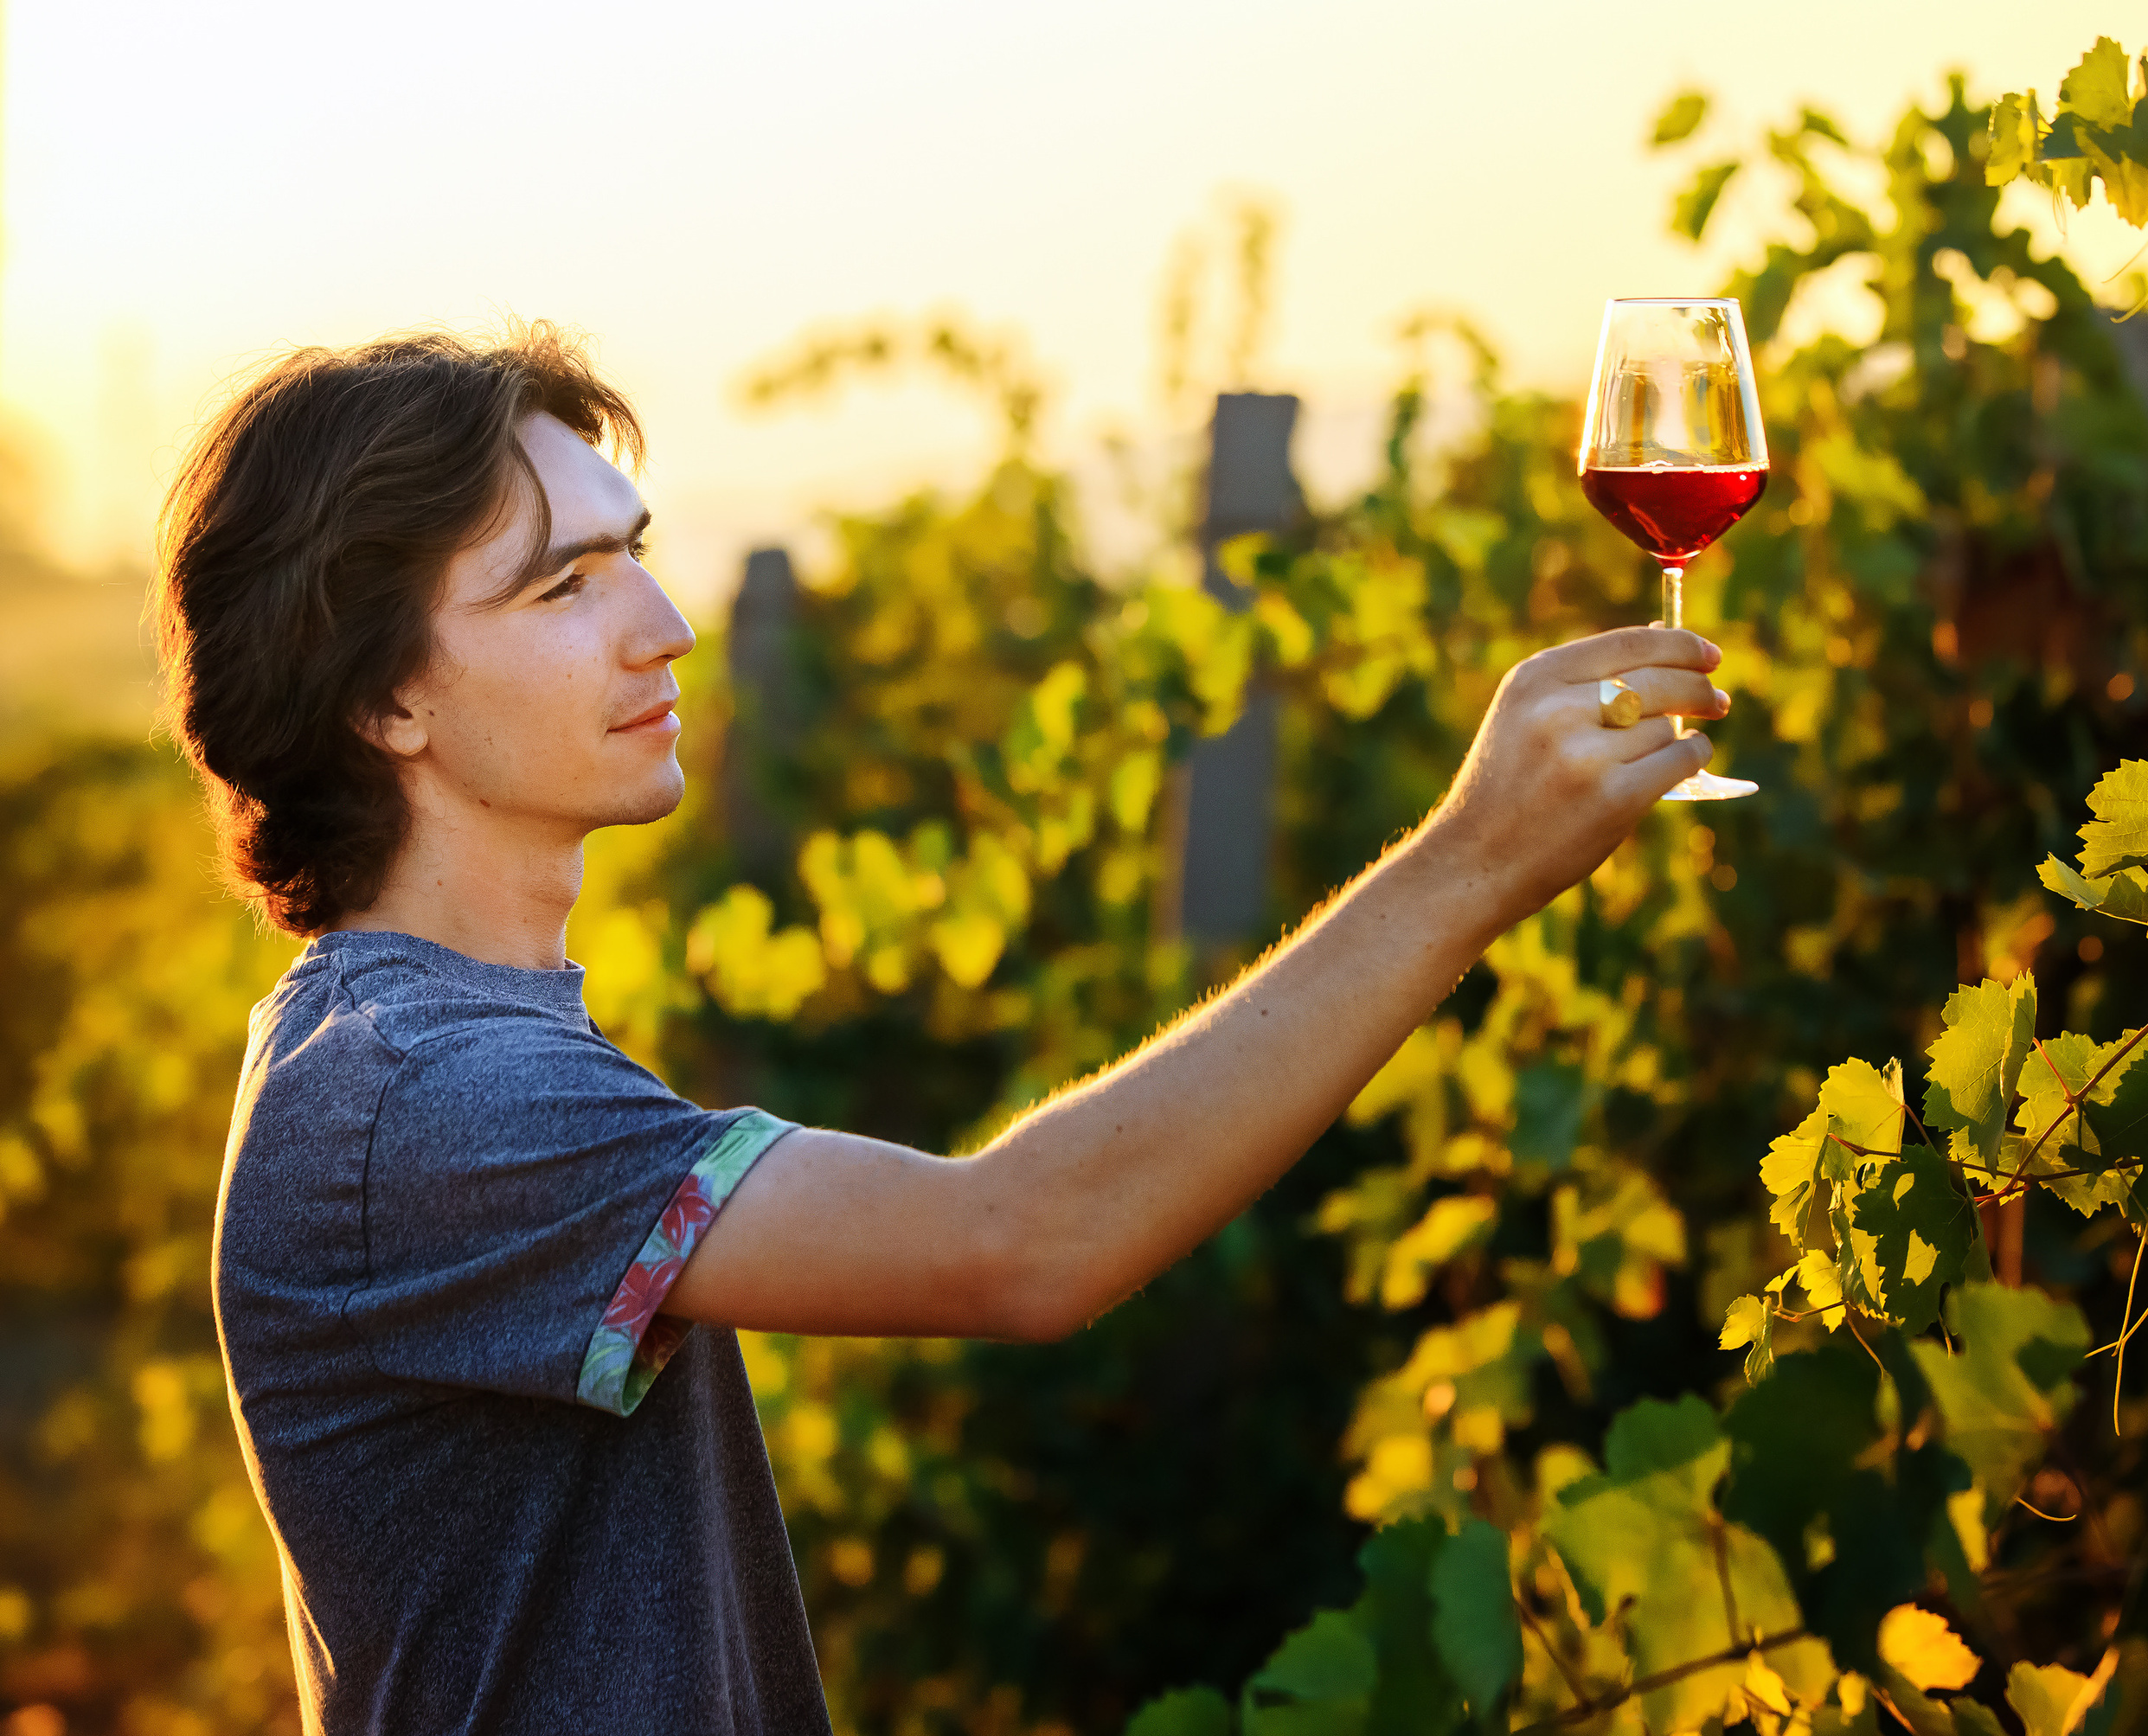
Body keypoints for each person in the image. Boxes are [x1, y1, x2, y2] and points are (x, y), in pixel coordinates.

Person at [160, 324, 1728, 1733]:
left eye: (634, 554)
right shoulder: (421, 1095)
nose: (665, 626)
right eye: (564, 586)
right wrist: (1470, 866)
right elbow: (1020, 1245)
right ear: (385, 702)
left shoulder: (426, 1045)